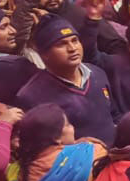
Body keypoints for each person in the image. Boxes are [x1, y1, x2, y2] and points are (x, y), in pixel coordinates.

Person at [15, 15, 116, 145]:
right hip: (74, 163)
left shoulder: (97, 73)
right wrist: (73, 147)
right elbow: (35, 147)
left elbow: (114, 114)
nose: (72, 48)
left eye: (75, 40)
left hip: (114, 158)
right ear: (44, 54)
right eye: (61, 44)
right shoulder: (31, 95)